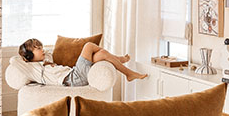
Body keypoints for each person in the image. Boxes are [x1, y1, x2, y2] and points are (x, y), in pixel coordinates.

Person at [17, 38, 147, 85]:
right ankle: (123, 64)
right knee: (89, 46)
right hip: (73, 79)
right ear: (28, 56)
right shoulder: (33, 68)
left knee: (101, 54)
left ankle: (128, 73)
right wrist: (24, 56)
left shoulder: (46, 59)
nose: (42, 50)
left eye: (41, 47)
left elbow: (51, 51)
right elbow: (14, 61)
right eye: (38, 49)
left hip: (75, 73)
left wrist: (41, 53)